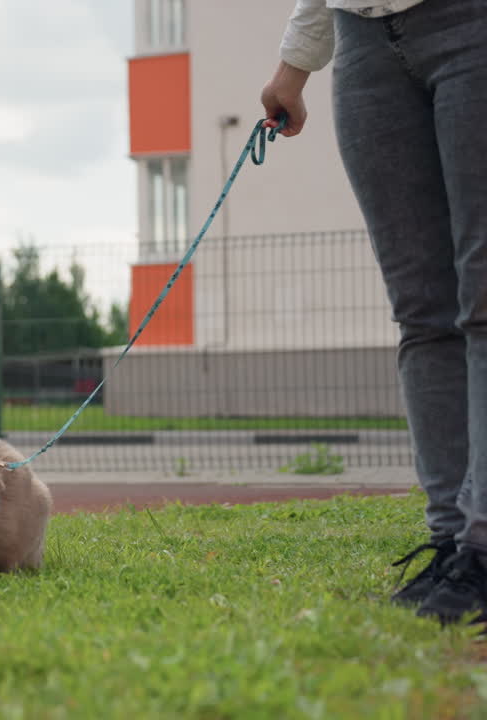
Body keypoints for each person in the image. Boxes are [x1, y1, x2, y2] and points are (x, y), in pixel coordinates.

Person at [260, 0, 486, 625]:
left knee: (484, 298)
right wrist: (295, 64)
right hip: (363, 41)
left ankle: (483, 545)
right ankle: (450, 543)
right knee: (420, 309)